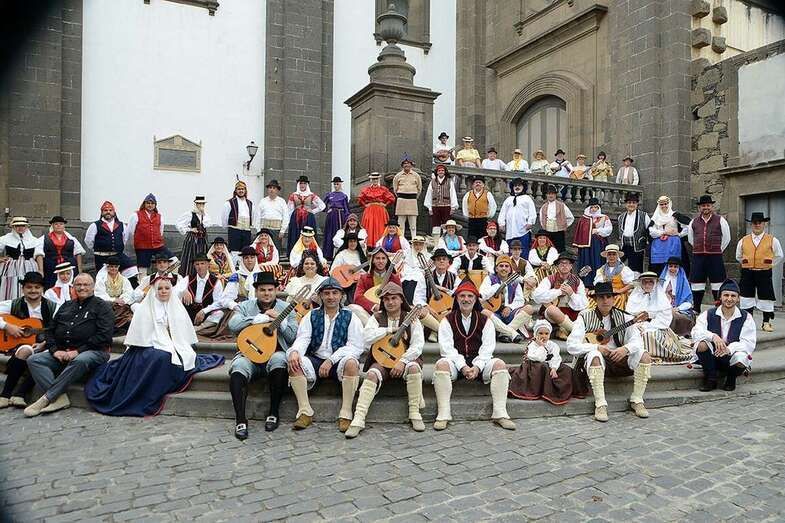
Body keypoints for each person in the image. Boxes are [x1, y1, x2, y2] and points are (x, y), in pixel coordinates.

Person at [85, 275, 224, 417]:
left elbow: (182, 333)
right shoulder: (145, 309)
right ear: (155, 290)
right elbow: (141, 337)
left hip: (171, 344)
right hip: (146, 347)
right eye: (160, 288)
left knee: (184, 356)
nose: (164, 291)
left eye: (167, 288)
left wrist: (176, 343)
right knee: (160, 358)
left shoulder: (176, 306)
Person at [24, 273, 113, 417]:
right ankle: (60, 398)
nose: (82, 288)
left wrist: (78, 351)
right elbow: (50, 331)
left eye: (86, 285)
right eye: (78, 285)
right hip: (63, 351)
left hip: (94, 351)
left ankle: (46, 398)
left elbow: (104, 335)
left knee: (80, 360)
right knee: (34, 360)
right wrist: (54, 350)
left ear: (93, 287)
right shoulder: (66, 305)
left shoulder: (102, 306)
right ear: (74, 287)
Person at [433, 279, 516, 430]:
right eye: (462, 296)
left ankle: (500, 414)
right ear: (457, 298)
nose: (466, 299)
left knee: (499, 364)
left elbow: (487, 348)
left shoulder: (486, 321)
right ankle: (443, 414)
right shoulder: (447, 320)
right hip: (456, 363)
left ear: (475, 299)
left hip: (480, 363)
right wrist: (463, 367)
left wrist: (477, 367)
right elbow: (447, 349)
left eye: (470, 296)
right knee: (441, 364)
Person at [345, 282, 425, 438]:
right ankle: (359, 418)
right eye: (386, 299)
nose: (390, 302)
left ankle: (415, 413)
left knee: (415, 368)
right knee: (372, 374)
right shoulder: (377, 317)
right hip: (382, 359)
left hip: (405, 360)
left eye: (394, 298)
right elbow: (366, 339)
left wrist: (402, 361)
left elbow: (418, 345)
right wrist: (388, 330)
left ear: (402, 300)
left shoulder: (411, 319)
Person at [567, 281, 652, 422]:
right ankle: (600, 404)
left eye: (608, 297)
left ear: (614, 299)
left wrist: (625, 349)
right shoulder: (584, 317)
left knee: (644, 355)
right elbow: (571, 345)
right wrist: (596, 347)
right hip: (597, 361)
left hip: (620, 360)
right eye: (601, 297)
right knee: (594, 355)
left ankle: (637, 400)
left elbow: (638, 341)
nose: (605, 301)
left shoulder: (626, 317)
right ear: (595, 300)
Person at [287, 277, 364, 431]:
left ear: (341, 296)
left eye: (335, 293)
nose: (330, 297)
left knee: (352, 363)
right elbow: (303, 338)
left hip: (339, 360)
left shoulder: (350, 317)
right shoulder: (312, 315)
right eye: (326, 293)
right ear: (321, 296)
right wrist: (295, 352)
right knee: (294, 363)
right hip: (315, 358)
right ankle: (305, 411)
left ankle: (346, 412)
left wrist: (331, 359)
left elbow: (356, 346)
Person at [227, 271, 297, 437]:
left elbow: (293, 336)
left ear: (276, 290)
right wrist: (257, 319)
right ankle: (241, 419)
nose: (267, 293)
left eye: (270, 290)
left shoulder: (286, 308)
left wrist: (281, 321)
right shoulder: (246, 306)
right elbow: (233, 324)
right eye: (263, 290)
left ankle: (273, 413)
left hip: (274, 353)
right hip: (250, 354)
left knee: (280, 360)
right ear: (256, 291)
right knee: (238, 367)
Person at [0, 272, 56, 408]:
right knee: (25, 350)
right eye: (29, 287)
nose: (33, 290)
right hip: (19, 344)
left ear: (42, 289)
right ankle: (5, 395)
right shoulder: (13, 304)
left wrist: (45, 343)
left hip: (44, 345)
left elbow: (59, 328)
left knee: (39, 358)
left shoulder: (53, 307)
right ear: (23, 288)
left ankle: (19, 394)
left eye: (37, 287)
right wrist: (7, 326)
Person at [691, 279, 756, 392]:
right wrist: (713, 336)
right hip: (712, 356)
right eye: (726, 295)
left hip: (731, 356)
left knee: (742, 358)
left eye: (733, 296)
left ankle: (731, 379)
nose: (729, 299)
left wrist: (729, 349)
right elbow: (696, 332)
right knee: (701, 344)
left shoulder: (746, 317)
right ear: (720, 297)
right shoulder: (708, 314)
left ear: (738, 298)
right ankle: (711, 378)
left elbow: (748, 343)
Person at [626, 272, 693, 364]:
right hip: (636, 326)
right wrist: (636, 325)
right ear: (641, 283)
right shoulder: (634, 297)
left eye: (650, 282)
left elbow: (664, 319)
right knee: (632, 335)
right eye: (645, 282)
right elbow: (628, 316)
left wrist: (646, 325)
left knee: (649, 335)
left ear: (655, 283)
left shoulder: (661, 298)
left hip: (657, 327)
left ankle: (651, 355)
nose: (647, 284)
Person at [509, 320, 579, 405]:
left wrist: (554, 368)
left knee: (566, 369)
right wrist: (541, 346)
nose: (544, 336)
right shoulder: (533, 344)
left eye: (546, 333)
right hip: (535, 366)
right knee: (544, 367)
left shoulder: (552, 345)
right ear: (536, 334)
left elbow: (555, 357)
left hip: (549, 365)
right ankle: (545, 391)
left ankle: (562, 391)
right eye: (541, 333)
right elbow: (538, 358)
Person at [736, 212, 783, 332]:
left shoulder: (772, 240)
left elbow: (779, 255)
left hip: (764, 272)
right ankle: (748, 323)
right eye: (754, 223)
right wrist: (747, 263)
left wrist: (770, 265)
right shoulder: (743, 240)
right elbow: (738, 256)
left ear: (764, 224)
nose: (757, 225)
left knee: (766, 296)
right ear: (751, 225)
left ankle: (766, 322)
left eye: (759, 223)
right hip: (748, 272)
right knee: (746, 296)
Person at [688, 195, 731, 313]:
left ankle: (718, 308)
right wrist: (699, 248)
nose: (705, 207)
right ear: (699, 208)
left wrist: (717, 250)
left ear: (712, 206)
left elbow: (727, 238)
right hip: (698, 256)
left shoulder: (720, 220)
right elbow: (691, 239)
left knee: (717, 283)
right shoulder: (693, 222)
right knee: (697, 283)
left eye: (708, 205)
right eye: (703, 206)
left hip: (715, 257)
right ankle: (696, 308)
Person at [480, 255, 536, 342]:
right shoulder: (489, 279)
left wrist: (510, 307)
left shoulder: (514, 282)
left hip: (510, 314)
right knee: (483, 312)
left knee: (529, 308)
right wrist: (497, 286)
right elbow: (482, 296)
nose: (504, 268)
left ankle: (504, 333)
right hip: (494, 313)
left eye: (506, 266)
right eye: (501, 266)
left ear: (510, 269)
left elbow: (520, 300)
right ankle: (511, 333)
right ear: (496, 268)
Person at [532, 252, 589, 338]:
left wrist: (572, 294)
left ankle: (564, 330)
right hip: (554, 315)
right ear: (557, 266)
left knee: (588, 312)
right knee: (551, 310)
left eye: (567, 263)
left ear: (571, 266)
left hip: (571, 313)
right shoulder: (549, 279)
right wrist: (558, 292)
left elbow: (584, 303)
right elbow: (536, 296)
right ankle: (576, 331)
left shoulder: (578, 281)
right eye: (561, 263)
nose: (564, 265)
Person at [84, 202, 138, 282]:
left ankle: (129, 290)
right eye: (105, 210)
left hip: (118, 256)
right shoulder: (95, 225)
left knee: (131, 270)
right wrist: (98, 249)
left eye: (110, 210)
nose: (108, 212)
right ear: (102, 212)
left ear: (114, 212)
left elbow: (124, 239)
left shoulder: (121, 225)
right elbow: (88, 241)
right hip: (102, 258)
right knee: (104, 279)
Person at [351, 248, 401, 325]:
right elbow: (357, 297)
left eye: (383, 258)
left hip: (390, 313)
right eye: (377, 258)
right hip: (369, 314)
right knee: (352, 307)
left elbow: (400, 297)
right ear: (373, 261)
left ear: (387, 261)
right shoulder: (364, 278)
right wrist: (374, 306)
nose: (380, 261)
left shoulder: (395, 278)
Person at [34, 216, 85, 289]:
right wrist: (41, 270)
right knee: (51, 286)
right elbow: (39, 254)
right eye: (56, 224)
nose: (58, 226)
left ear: (64, 226)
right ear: (52, 226)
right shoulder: (43, 239)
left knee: (70, 286)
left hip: (69, 266)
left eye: (61, 224)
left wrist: (80, 270)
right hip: (51, 267)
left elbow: (78, 253)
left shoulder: (71, 239)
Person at [126, 194, 170, 278]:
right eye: (148, 203)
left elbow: (160, 231)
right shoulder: (136, 215)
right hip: (143, 247)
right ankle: (143, 289)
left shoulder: (159, 216)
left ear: (155, 205)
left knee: (174, 261)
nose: (150, 205)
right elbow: (131, 231)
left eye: (152, 203)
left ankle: (163, 279)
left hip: (158, 246)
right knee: (142, 271)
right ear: (144, 204)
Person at [573, 197, 612, 289]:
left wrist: (598, 230)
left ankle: (599, 280)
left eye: (595, 207)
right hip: (586, 246)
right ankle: (586, 281)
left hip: (599, 244)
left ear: (598, 208)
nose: (594, 209)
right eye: (592, 207)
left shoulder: (604, 217)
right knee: (587, 262)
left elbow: (609, 229)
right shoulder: (584, 219)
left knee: (598, 261)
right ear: (589, 208)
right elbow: (580, 232)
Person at [0, 217, 41, 301]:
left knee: (29, 284)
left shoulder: (34, 240)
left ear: (26, 227)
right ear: (13, 227)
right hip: (11, 267)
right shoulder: (5, 239)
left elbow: (39, 255)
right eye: (17, 226)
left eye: (23, 225)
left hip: (29, 266)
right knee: (11, 286)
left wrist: (40, 270)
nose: (20, 228)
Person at [184, 254, 226, 333]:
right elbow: (176, 291)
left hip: (206, 311)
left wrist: (204, 311)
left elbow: (218, 302)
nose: (200, 267)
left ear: (207, 265)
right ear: (194, 266)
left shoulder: (216, 282)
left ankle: (199, 327)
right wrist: (183, 291)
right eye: (197, 264)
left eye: (202, 263)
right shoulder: (188, 278)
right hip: (189, 309)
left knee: (220, 314)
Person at [286, 176, 326, 255]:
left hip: (308, 218)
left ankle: (310, 253)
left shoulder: (311, 195)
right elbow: (289, 209)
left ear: (307, 185)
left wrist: (312, 211)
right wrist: (289, 220)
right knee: (295, 234)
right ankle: (295, 253)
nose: (302, 185)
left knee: (308, 234)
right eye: (301, 183)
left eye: (304, 183)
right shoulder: (293, 195)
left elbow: (322, 206)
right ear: (298, 184)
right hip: (296, 218)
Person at [498, 178, 537, 261]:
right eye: (515, 185)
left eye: (519, 185)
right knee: (510, 252)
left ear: (523, 187)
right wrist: (501, 223)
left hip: (523, 230)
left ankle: (523, 269)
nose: (517, 187)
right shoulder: (508, 199)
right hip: (510, 231)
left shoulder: (527, 198)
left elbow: (532, 212)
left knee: (523, 251)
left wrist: (530, 222)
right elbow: (502, 213)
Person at [648, 195, 687, 276]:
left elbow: (687, 226)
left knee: (673, 264)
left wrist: (679, 234)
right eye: (662, 204)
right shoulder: (656, 217)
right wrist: (664, 232)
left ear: (669, 204)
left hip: (673, 244)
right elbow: (651, 231)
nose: (664, 206)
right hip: (659, 246)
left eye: (666, 204)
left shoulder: (675, 215)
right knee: (659, 268)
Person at [94, 256, 134, 332]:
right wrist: (114, 300)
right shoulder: (101, 279)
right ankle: (116, 325)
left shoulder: (123, 279)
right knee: (107, 307)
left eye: (115, 267)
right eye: (111, 266)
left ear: (118, 267)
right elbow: (99, 294)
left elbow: (129, 292)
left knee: (126, 308)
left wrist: (122, 299)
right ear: (107, 267)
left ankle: (121, 325)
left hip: (121, 304)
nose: (113, 269)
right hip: (108, 303)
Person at [176, 196, 211, 278]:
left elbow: (207, 224)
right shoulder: (190, 214)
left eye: (202, 203)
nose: (201, 205)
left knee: (202, 257)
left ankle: (201, 276)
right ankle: (188, 277)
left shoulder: (205, 215)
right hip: (192, 240)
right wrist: (190, 229)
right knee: (190, 258)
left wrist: (203, 215)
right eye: (199, 203)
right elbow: (178, 224)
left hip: (202, 240)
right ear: (195, 204)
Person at [358, 172, 396, 248]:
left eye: (376, 179)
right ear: (371, 180)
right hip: (370, 210)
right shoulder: (367, 190)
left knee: (380, 226)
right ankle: (369, 244)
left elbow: (392, 198)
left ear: (378, 180)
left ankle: (380, 243)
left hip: (380, 210)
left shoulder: (383, 189)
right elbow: (360, 198)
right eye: (373, 179)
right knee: (369, 226)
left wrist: (385, 204)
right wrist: (365, 205)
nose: (375, 181)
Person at [660, 256, 695, 336]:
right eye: (670, 266)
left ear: (679, 268)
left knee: (677, 318)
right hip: (662, 308)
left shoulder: (683, 282)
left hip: (678, 309)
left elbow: (688, 302)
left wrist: (677, 308)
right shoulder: (661, 281)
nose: (673, 269)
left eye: (675, 267)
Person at [592, 244, 635, 311]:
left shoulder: (624, 269)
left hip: (619, 294)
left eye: (614, 254)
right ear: (606, 256)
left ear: (617, 256)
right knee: (592, 296)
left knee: (616, 298)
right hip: (605, 292)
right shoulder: (601, 270)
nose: (611, 257)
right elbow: (598, 284)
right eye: (609, 254)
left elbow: (632, 284)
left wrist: (619, 290)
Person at [221, 181, 256, 256]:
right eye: (239, 189)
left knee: (246, 251)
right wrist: (227, 227)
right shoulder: (229, 203)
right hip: (234, 231)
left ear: (245, 190)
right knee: (234, 251)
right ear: (235, 191)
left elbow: (252, 216)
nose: (241, 191)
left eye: (243, 189)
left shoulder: (250, 203)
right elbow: (224, 217)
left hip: (246, 231)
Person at [617, 193, 649, 273]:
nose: (631, 204)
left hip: (637, 247)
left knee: (636, 270)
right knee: (619, 268)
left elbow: (649, 230)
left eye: (633, 203)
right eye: (629, 202)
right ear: (626, 204)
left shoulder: (644, 216)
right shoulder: (621, 217)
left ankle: (636, 285)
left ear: (637, 204)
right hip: (624, 246)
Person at [392, 155, 423, 239]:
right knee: (400, 224)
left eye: (408, 163)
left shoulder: (416, 175)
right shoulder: (398, 176)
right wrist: (401, 196)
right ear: (402, 165)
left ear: (411, 165)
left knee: (413, 224)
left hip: (412, 201)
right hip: (401, 201)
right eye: (405, 164)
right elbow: (395, 189)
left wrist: (413, 197)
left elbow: (419, 188)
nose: (406, 165)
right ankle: (401, 240)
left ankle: (414, 239)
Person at [330, 233, 366, 304]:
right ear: (347, 242)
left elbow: (365, 271)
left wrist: (358, 277)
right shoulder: (342, 254)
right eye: (350, 241)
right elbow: (333, 271)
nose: (353, 243)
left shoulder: (360, 255)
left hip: (357, 284)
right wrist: (344, 278)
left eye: (354, 241)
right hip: (343, 285)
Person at [538, 184, 574, 253]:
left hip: (559, 231)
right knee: (549, 249)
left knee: (559, 249)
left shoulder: (561, 205)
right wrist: (545, 226)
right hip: (547, 231)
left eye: (552, 194)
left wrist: (564, 225)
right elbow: (541, 219)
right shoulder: (544, 206)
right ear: (546, 195)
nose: (550, 195)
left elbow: (570, 217)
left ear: (555, 195)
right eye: (549, 194)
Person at [256, 179, 290, 252]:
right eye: (270, 188)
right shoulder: (263, 201)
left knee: (275, 250)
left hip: (276, 231)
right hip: (264, 230)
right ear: (268, 190)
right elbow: (258, 216)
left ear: (277, 190)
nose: (272, 190)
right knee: (263, 249)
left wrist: (282, 231)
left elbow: (286, 217)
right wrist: (258, 230)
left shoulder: (282, 201)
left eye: (274, 188)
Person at [322, 176, 351, 260]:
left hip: (340, 216)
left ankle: (339, 252)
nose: (336, 186)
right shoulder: (329, 195)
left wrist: (347, 218)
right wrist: (327, 210)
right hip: (331, 216)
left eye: (337, 184)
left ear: (340, 184)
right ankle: (328, 253)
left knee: (339, 232)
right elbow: (323, 205)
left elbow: (346, 208)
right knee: (329, 233)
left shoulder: (343, 196)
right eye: (334, 184)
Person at [424, 164, 458, 231]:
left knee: (446, 224)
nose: (441, 172)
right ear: (437, 172)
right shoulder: (432, 181)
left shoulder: (449, 181)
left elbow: (453, 194)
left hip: (446, 206)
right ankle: (436, 239)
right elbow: (429, 194)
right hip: (435, 206)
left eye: (442, 170)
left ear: (445, 172)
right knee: (435, 224)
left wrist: (453, 207)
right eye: (439, 170)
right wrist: (430, 208)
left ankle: (445, 238)